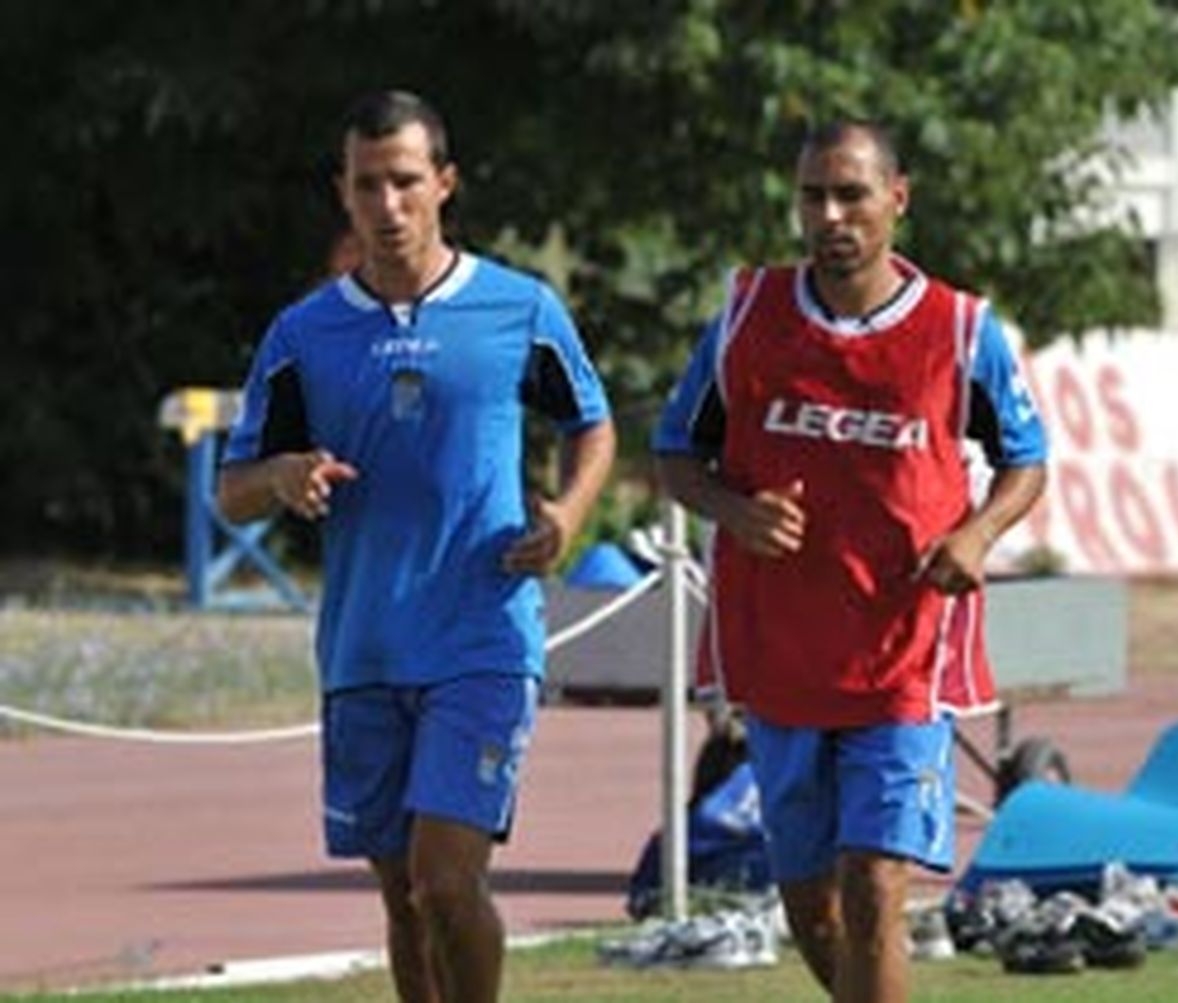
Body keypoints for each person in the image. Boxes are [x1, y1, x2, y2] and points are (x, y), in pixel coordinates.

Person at [217, 90, 615, 1003]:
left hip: (482, 637)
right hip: (363, 646)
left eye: (405, 181)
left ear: (444, 183)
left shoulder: (518, 308)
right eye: (368, 185)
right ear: (344, 194)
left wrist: (566, 514)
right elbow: (231, 491)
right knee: (402, 895)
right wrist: (282, 478)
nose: (387, 204)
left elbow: (590, 427)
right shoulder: (304, 333)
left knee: (445, 877)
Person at [652, 120, 1047, 1003]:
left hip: (906, 652)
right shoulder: (749, 316)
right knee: (812, 905)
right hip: (782, 654)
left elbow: (1028, 460)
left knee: (876, 885)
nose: (831, 215)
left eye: (852, 194)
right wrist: (734, 511)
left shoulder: (959, 329)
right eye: (812, 196)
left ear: (897, 199)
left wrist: (976, 534)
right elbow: (676, 452)